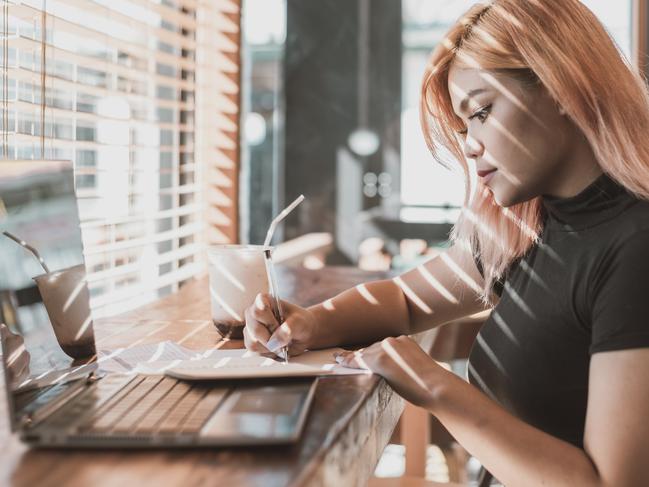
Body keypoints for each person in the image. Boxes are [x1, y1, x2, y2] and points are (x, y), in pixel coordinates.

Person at [244, 0, 649, 484]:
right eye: (463, 127)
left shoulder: (636, 250)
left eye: (480, 111)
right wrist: (309, 322)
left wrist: (434, 384)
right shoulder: (527, 228)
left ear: (560, 84)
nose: (469, 144)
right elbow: (404, 300)